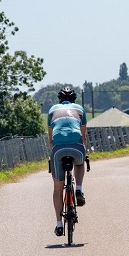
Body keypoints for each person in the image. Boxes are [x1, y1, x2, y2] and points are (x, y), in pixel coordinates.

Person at [47, 87, 88, 237]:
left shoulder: (52, 110)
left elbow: (50, 138)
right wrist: (85, 152)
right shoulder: (80, 109)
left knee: (58, 188)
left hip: (58, 149)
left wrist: (53, 152)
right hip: (76, 147)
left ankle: (58, 224)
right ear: (74, 100)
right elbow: (83, 136)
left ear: (59, 100)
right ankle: (78, 188)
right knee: (80, 162)